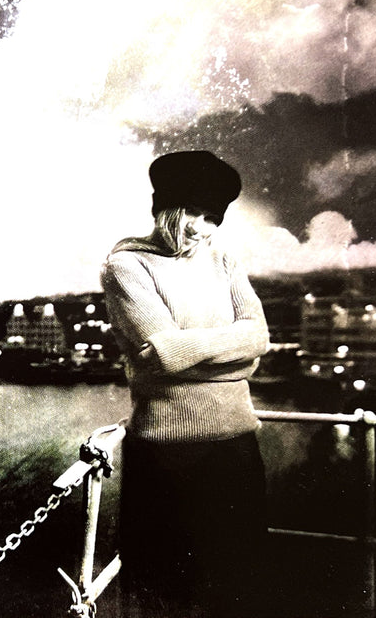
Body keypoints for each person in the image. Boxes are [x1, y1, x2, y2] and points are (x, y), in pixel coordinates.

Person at [100, 151, 270, 618]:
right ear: (165, 207)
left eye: (213, 217)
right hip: (167, 454)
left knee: (240, 581)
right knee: (169, 589)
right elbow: (164, 353)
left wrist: (182, 353)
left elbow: (260, 336)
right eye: (194, 212)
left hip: (238, 445)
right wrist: (235, 358)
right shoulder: (127, 266)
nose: (202, 227)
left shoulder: (224, 261)